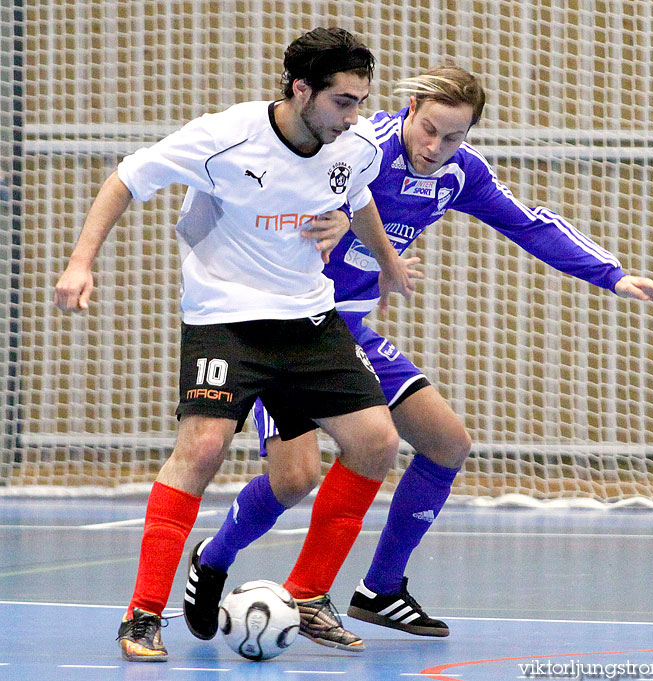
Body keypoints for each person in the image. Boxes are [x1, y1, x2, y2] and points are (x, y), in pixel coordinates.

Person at [182, 63, 653, 651]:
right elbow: (285, 183)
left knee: (446, 443)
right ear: (410, 109)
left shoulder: (459, 173)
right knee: (294, 479)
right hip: (287, 328)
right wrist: (336, 221)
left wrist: (613, 276)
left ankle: (378, 588)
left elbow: (529, 224)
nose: (436, 147)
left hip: (353, 332)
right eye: (430, 130)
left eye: (455, 137)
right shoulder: (360, 146)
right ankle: (213, 559)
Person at [54, 27, 421, 663]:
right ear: (301, 90)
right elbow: (125, 178)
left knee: (376, 442)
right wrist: (81, 262)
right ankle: (142, 615)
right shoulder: (225, 136)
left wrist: (387, 263)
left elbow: (357, 195)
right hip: (226, 318)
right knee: (202, 447)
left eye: (361, 100)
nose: (355, 115)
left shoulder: (352, 146)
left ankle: (308, 597)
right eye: (342, 101)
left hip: (308, 317)